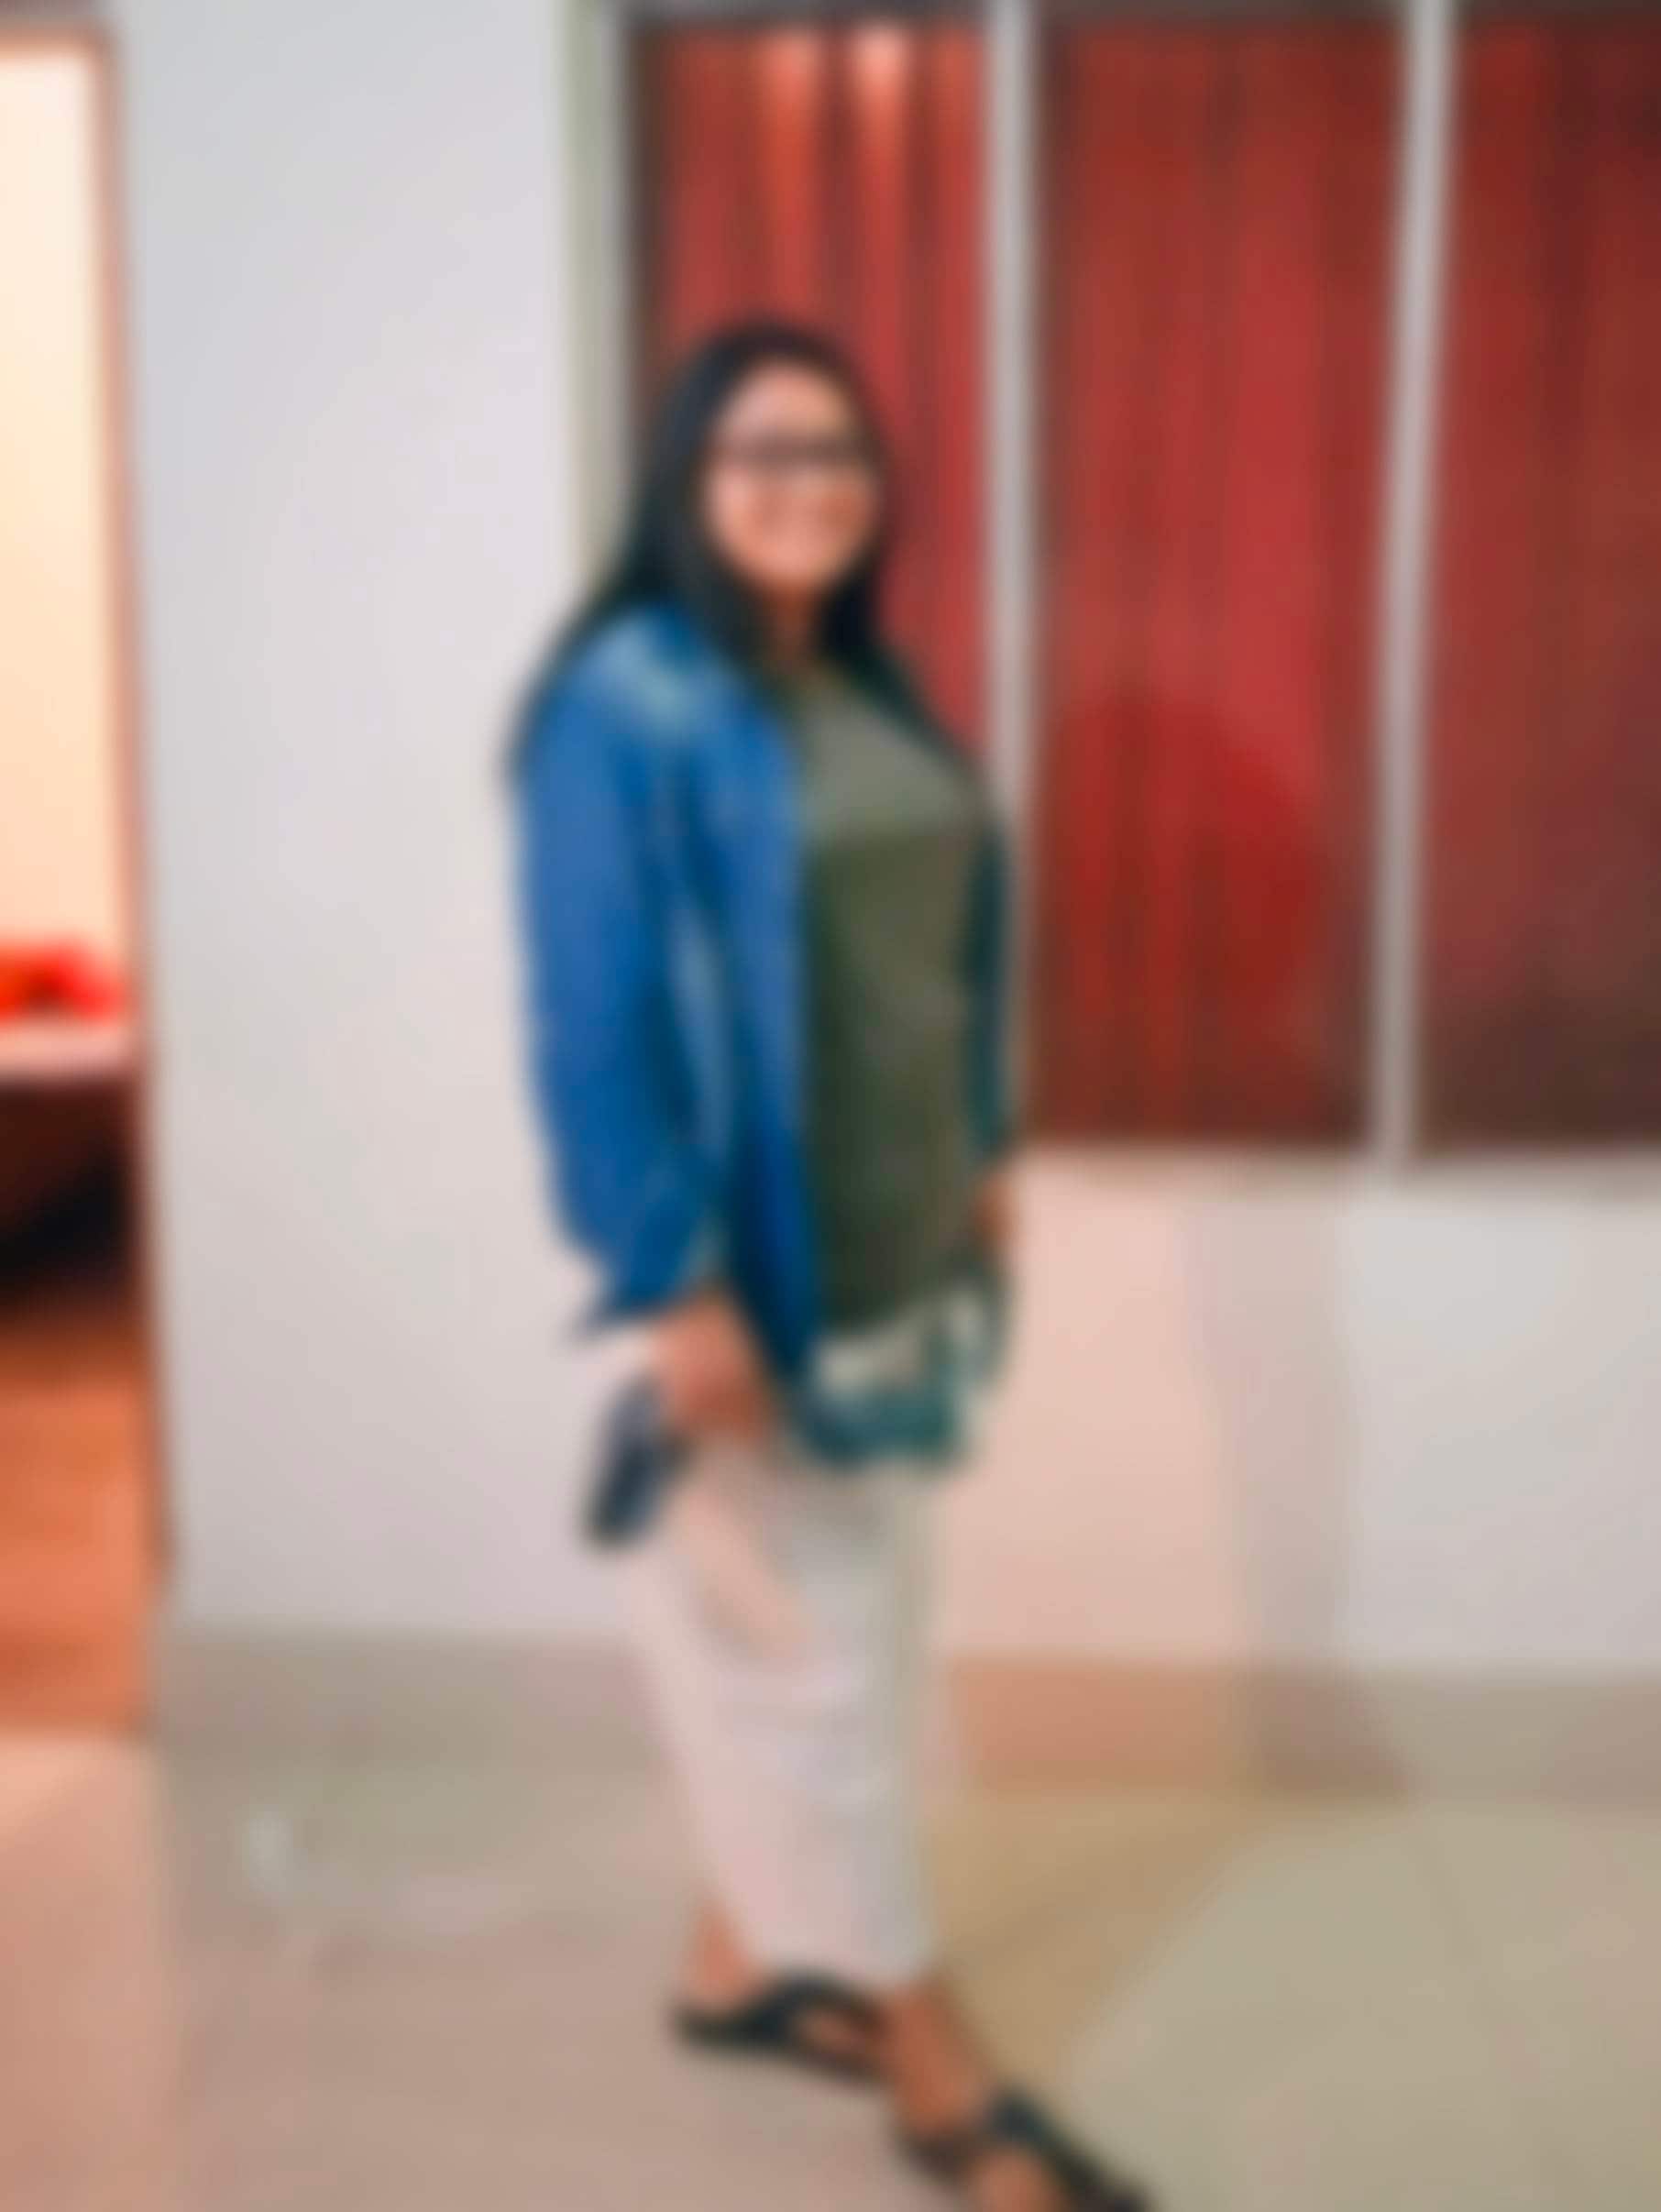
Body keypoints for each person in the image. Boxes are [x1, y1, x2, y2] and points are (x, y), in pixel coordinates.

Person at [512, 321, 1146, 2212]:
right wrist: (673, 1283)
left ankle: (741, 1964)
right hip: (754, 1281)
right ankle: (939, 2072)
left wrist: (984, 1145)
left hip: (897, 1255)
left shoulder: (862, 682)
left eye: (841, 450)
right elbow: (596, 1025)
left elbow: (937, 943)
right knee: (828, 1684)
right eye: (762, 449)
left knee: (844, 1632)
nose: (809, 482)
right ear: (686, 480)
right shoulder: (623, 705)